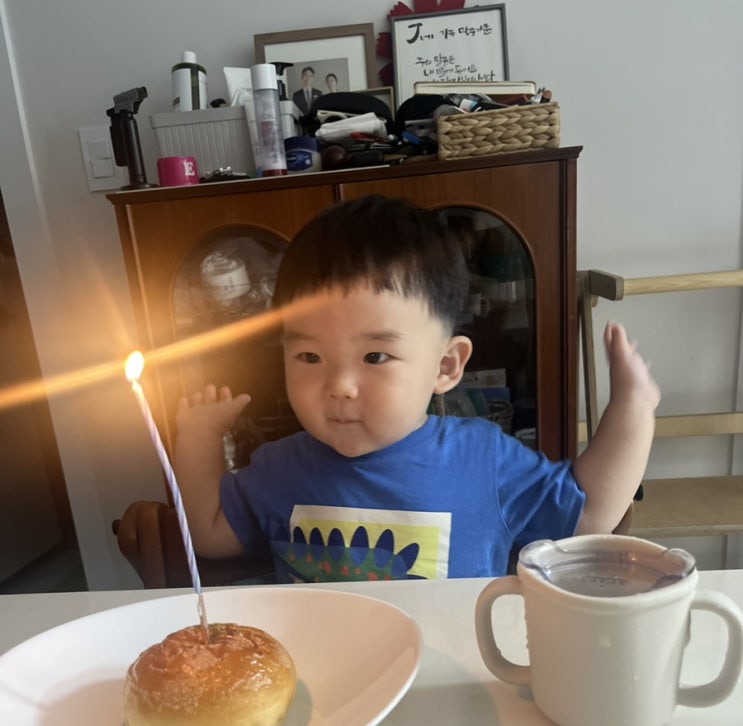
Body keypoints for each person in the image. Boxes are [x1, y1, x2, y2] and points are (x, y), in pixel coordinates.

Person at [174, 195, 660, 583]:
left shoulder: (483, 460)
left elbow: (589, 517)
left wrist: (633, 408)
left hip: (449, 671)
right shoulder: (280, 468)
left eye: (375, 357)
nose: (339, 386)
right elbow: (211, 534)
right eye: (309, 357)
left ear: (445, 366)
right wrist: (197, 437)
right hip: (327, 676)